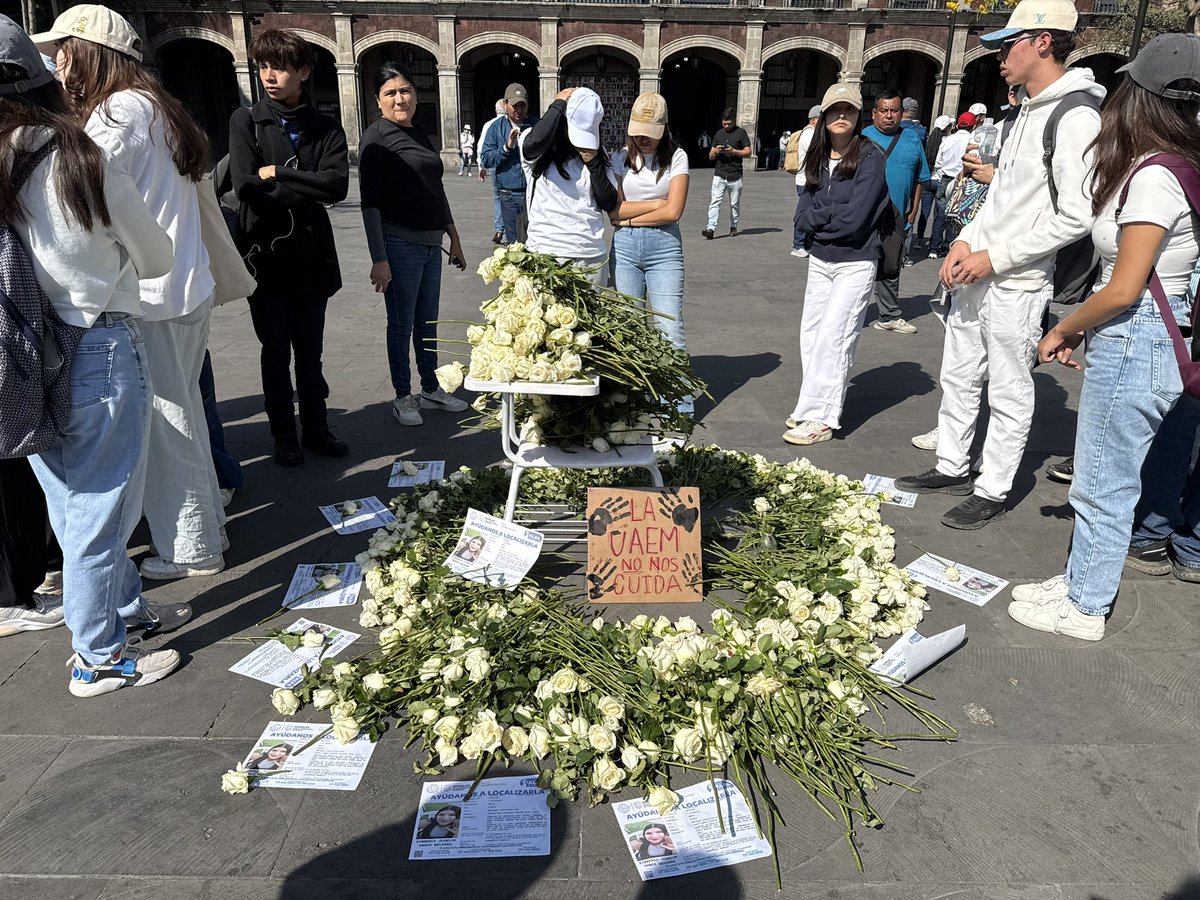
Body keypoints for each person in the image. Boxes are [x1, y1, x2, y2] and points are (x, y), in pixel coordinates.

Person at [1, 16, 183, 694]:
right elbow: (156, 253)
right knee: (101, 508)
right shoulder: (74, 156)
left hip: (21, 351)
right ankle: (97, 657)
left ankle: (127, 610)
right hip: (96, 342)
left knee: (69, 500)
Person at [1008, 34, 1200, 641]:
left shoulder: (1155, 177)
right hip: (1158, 336)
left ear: (1141, 99)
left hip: (1137, 334)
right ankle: (1076, 579)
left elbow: (1124, 287)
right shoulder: (1182, 166)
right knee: (1115, 472)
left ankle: (1087, 604)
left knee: (1102, 479)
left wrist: (1063, 327)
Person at [894, 0, 1104, 530]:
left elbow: (1077, 215)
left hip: (1019, 278)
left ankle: (993, 486)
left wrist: (996, 256)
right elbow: (1002, 198)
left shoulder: (1074, 115)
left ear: (1042, 41)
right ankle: (952, 463)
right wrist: (964, 241)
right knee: (960, 373)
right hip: (980, 271)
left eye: (1009, 43)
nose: (999, 55)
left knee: (1008, 384)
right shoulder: (1025, 111)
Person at [44, 4, 228, 580]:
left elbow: (83, 197)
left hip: (151, 293)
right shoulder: (153, 107)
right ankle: (202, 532)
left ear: (87, 53)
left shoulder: (115, 119)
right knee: (184, 413)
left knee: (168, 423)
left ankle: (192, 548)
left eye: (61, 50)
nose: (55, 62)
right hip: (183, 285)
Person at [229, 29, 350, 467]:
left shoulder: (325, 126)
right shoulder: (247, 120)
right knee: (276, 351)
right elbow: (245, 186)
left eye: (278, 66)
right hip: (266, 257)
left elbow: (337, 185)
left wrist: (277, 172)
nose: (268, 75)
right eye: (263, 66)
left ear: (302, 71)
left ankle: (316, 428)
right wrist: (304, 187)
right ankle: (283, 434)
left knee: (311, 353)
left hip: (312, 258)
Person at [359, 62, 469, 428]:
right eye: (390, 93)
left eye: (405, 90)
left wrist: (453, 236)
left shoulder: (420, 135)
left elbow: (435, 190)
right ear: (378, 100)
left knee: (428, 323)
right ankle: (403, 396)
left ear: (415, 95)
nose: (399, 98)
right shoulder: (376, 138)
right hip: (399, 243)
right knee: (401, 324)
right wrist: (380, 258)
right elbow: (370, 203)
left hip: (430, 245)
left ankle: (431, 389)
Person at [783, 82, 889, 446]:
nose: (841, 116)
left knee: (836, 336)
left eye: (848, 110)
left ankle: (823, 418)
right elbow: (801, 215)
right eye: (834, 110)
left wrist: (820, 215)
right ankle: (809, 402)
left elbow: (856, 218)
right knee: (811, 334)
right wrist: (825, 214)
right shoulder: (817, 155)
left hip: (855, 261)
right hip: (820, 258)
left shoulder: (870, 156)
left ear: (859, 116)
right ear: (824, 116)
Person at [610, 92, 691, 410]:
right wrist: (658, 202)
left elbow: (674, 213)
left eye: (651, 132)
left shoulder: (678, 157)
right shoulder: (619, 157)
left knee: (669, 326)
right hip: (625, 250)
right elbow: (613, 212)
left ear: (664, 128)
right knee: (628, 327)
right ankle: (635, 398)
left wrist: (629, 216)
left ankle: (680, 405)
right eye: (638, 131)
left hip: (664, 249)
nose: (643, 138)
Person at [519, 86, 618, 284]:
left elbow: (608, 201)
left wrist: (592, 161)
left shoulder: (600, 154)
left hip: (590, 255)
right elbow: (533, 143)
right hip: (547, 253)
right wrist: (558, 105)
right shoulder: (538, 150)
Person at [863, 90, 930, 335]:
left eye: (894, 110)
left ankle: (889, 316)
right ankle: (851, 313)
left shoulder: (912, 138)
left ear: (902, 113)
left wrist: (914, 210)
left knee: (891, 266)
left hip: (898, 215)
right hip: (865, 215)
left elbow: (920, 178)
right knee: (859, 266)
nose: (889, 116)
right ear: (874, 113)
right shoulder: (861, 138)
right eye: (884, 110)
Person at [480, 83, 537, 245]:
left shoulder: (536, 125)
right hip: (508, 193)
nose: (518, 110)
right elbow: (486, 159)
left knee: (534, 239)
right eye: (514, 106)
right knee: (513, 242)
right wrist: (507, 147)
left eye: (522, 105)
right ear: (506, 105)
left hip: (533, 193)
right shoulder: (496, 128)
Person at [929, 112, 976, 258]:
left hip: (944, 178)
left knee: (940, 214)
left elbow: (938, 162)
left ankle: (934, 247)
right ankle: (949, 246)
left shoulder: (947, 139)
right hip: (961, 180)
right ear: (974, 126)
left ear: (957, 125)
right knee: (955, 214)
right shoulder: (972, 141)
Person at [701, 107, 751, 239]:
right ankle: (710, 228)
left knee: (734, 203)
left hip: (735, 174)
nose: (726, 126)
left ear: (734, 121)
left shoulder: (741, 133)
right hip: (720, 173)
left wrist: (734, 151)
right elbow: (710, 156)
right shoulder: (719, 134)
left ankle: (734, 226)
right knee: (715, 201)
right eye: (724, 124)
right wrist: (715, 151)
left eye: (729, 124)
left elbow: (748, 152)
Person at [916, 114, 953, 250]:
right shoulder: (947, 141)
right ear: (947, 128)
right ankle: (934, 243)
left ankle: (919, 239)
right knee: (939, 214)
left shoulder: (928, 139)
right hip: (941, 179)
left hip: (927, 179)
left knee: (924, 211)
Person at [791, 105, 822, 259]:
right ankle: (798, 245)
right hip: (807, 180)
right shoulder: (810, 134)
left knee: (810, 212)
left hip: (807, 179)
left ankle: (806, 244)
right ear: (815, 120)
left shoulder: (811, 133)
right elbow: (816, 154)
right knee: (805, 213)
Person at [478, 99, 506, 243]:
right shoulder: (509, 124)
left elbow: (482, 147)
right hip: (510, 167)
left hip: (494, 166)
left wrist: (481, 167)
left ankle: (499, 230)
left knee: (498, 198)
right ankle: (510, 229)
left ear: (496, 111)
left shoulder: (489, 125)